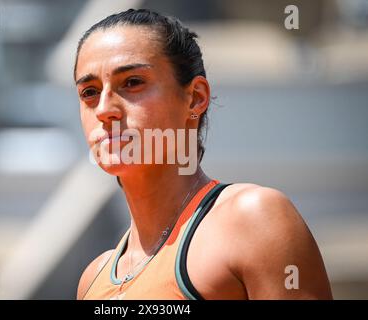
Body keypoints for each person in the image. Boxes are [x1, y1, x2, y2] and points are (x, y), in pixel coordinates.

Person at [74, 8, 332, 300]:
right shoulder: (93, 279)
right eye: (89, 92)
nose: (105, 109)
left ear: (195, 98)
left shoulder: (255, 219)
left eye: (132, 82)